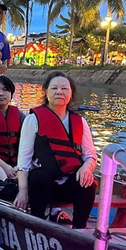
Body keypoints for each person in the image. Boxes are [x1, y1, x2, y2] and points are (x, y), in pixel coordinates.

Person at [13, 71, 97, 229]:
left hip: (69, 184)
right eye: (54, 88)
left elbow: (90, 155)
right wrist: (22, 191)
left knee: (88, 184)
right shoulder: (33, 119)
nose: (60, 92)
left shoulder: (80, 121)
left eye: (65, 88)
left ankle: (80, 230)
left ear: (71, 93)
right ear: (46, 91)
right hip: (43, 184)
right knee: (39, 177)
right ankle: (37, 224)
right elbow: (23, 161)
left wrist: (87, 167)